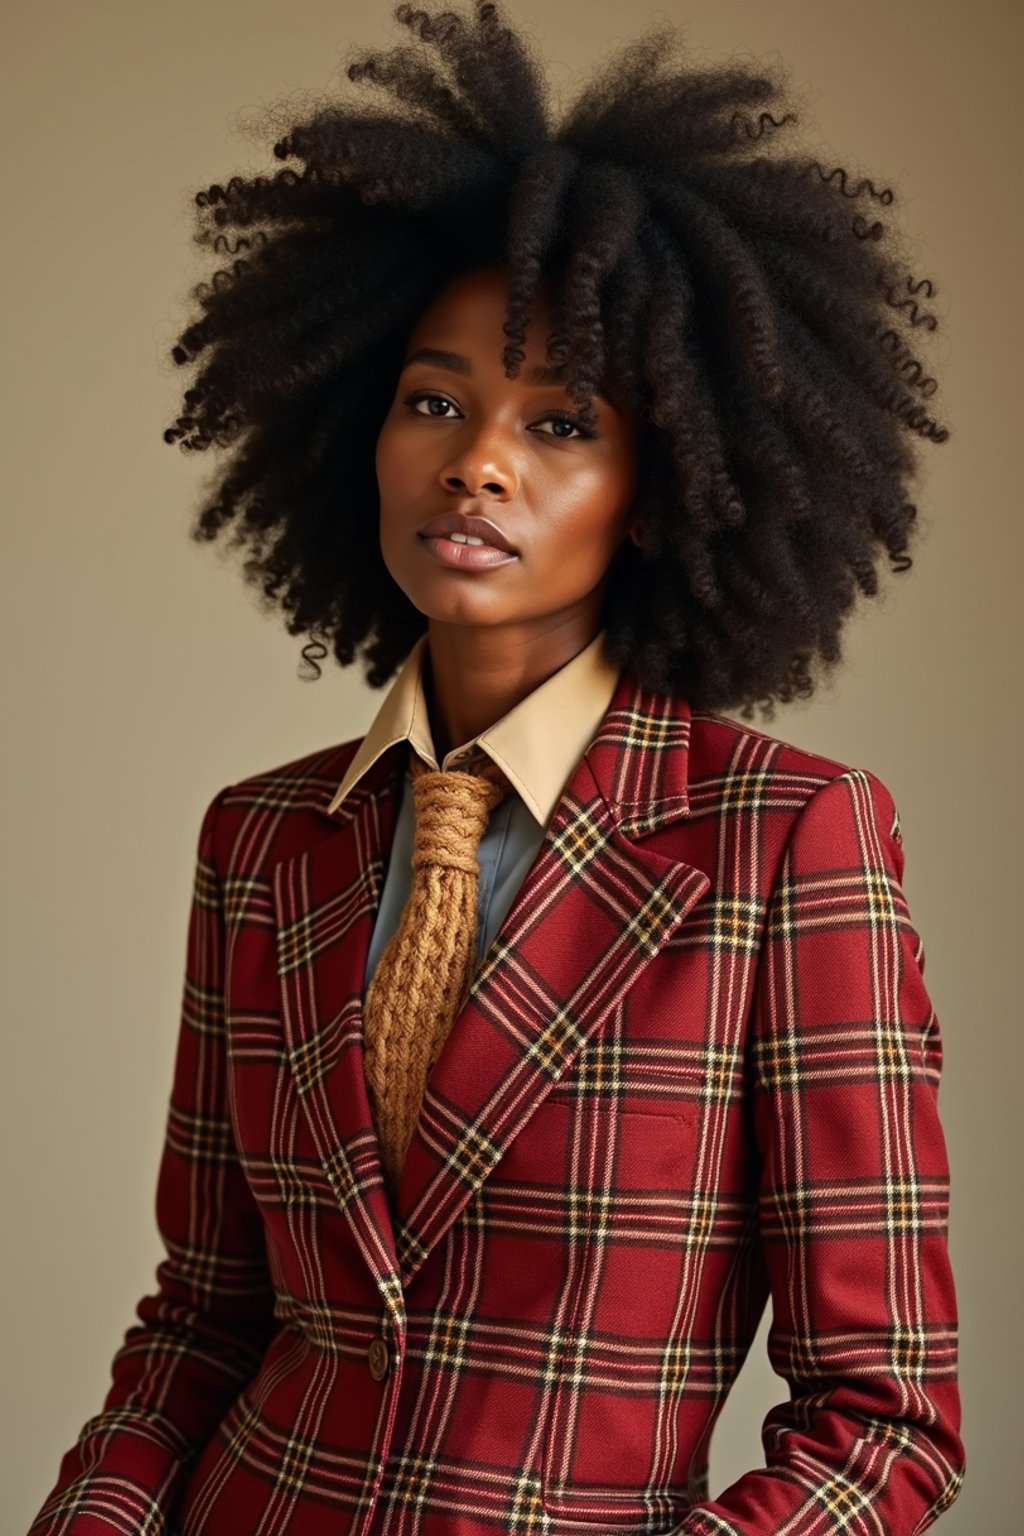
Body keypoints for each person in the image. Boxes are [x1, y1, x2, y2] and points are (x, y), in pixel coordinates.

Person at [30, 3, 965, 1532]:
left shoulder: (790, 841)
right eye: (435, 401)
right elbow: (203, 1323)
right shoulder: (261, 838)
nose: (478, 461)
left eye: (562, 423)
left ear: (664, 489)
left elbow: (883, 1424)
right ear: (361, 433)